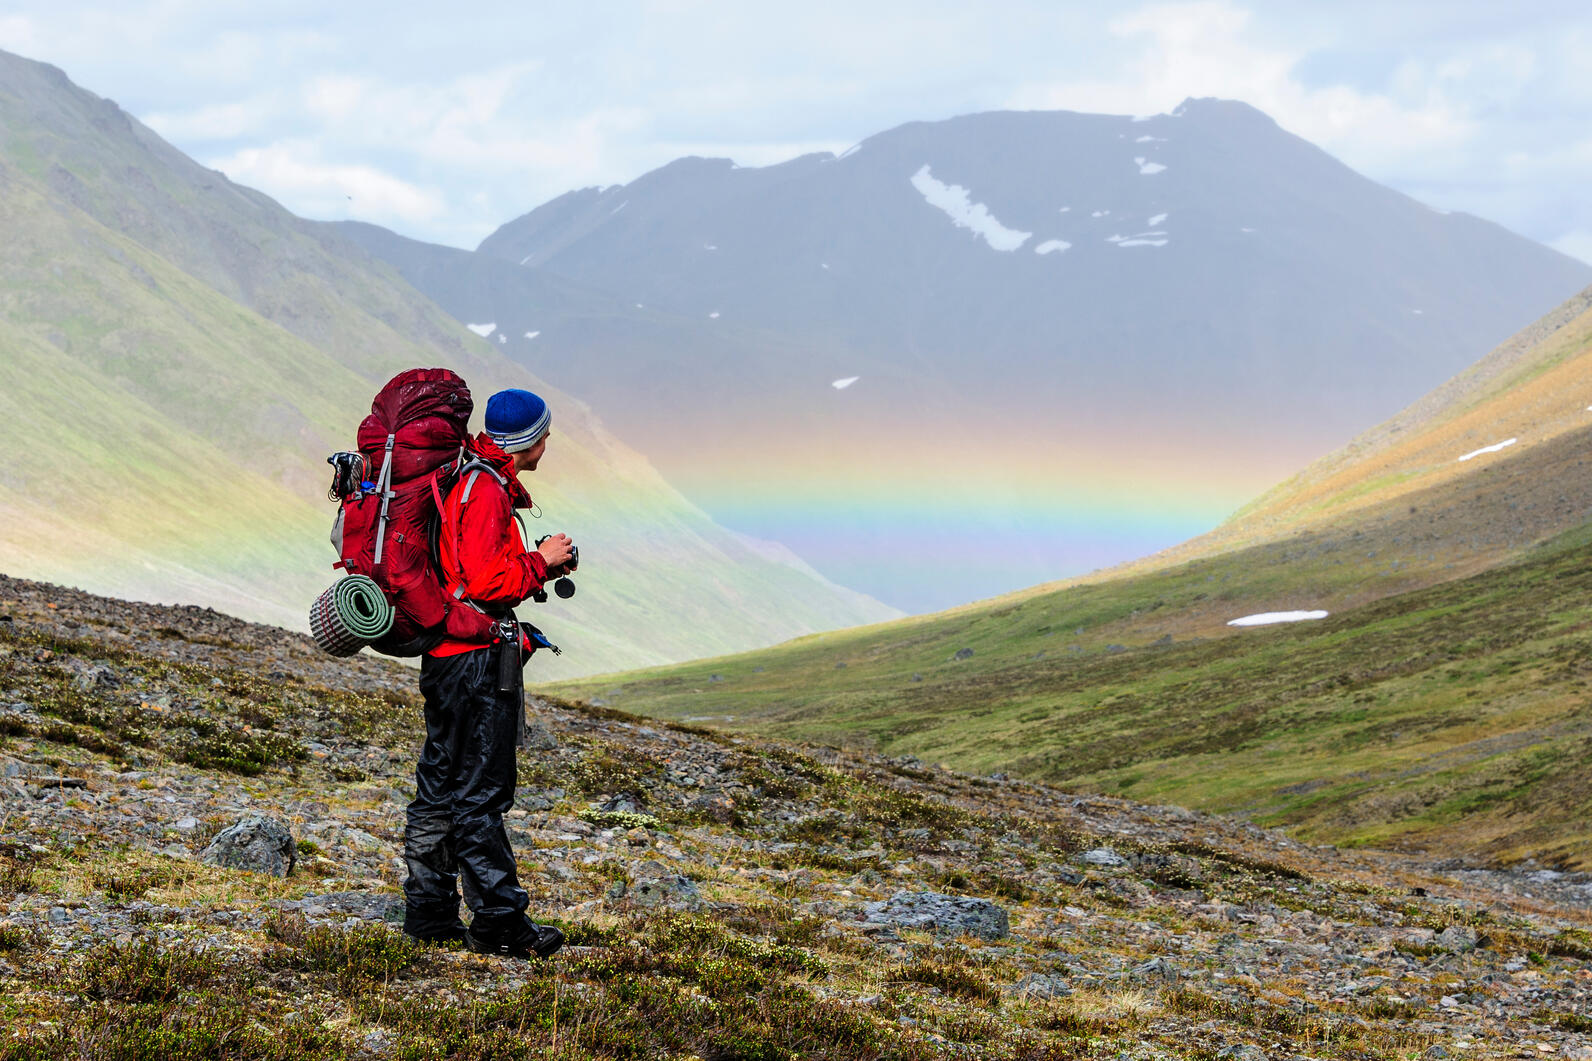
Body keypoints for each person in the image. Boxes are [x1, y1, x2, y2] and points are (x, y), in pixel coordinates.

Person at [400, 387, 575, 959]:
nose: (548, 443)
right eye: (545, 435)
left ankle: (428, 912)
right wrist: (542, 561)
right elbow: (486, 583)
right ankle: (499, 922)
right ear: (530, 441)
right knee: (480, 793)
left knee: (439, 786)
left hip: (446, 655)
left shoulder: (464, 477)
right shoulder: (486, 488)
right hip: (477, 661)